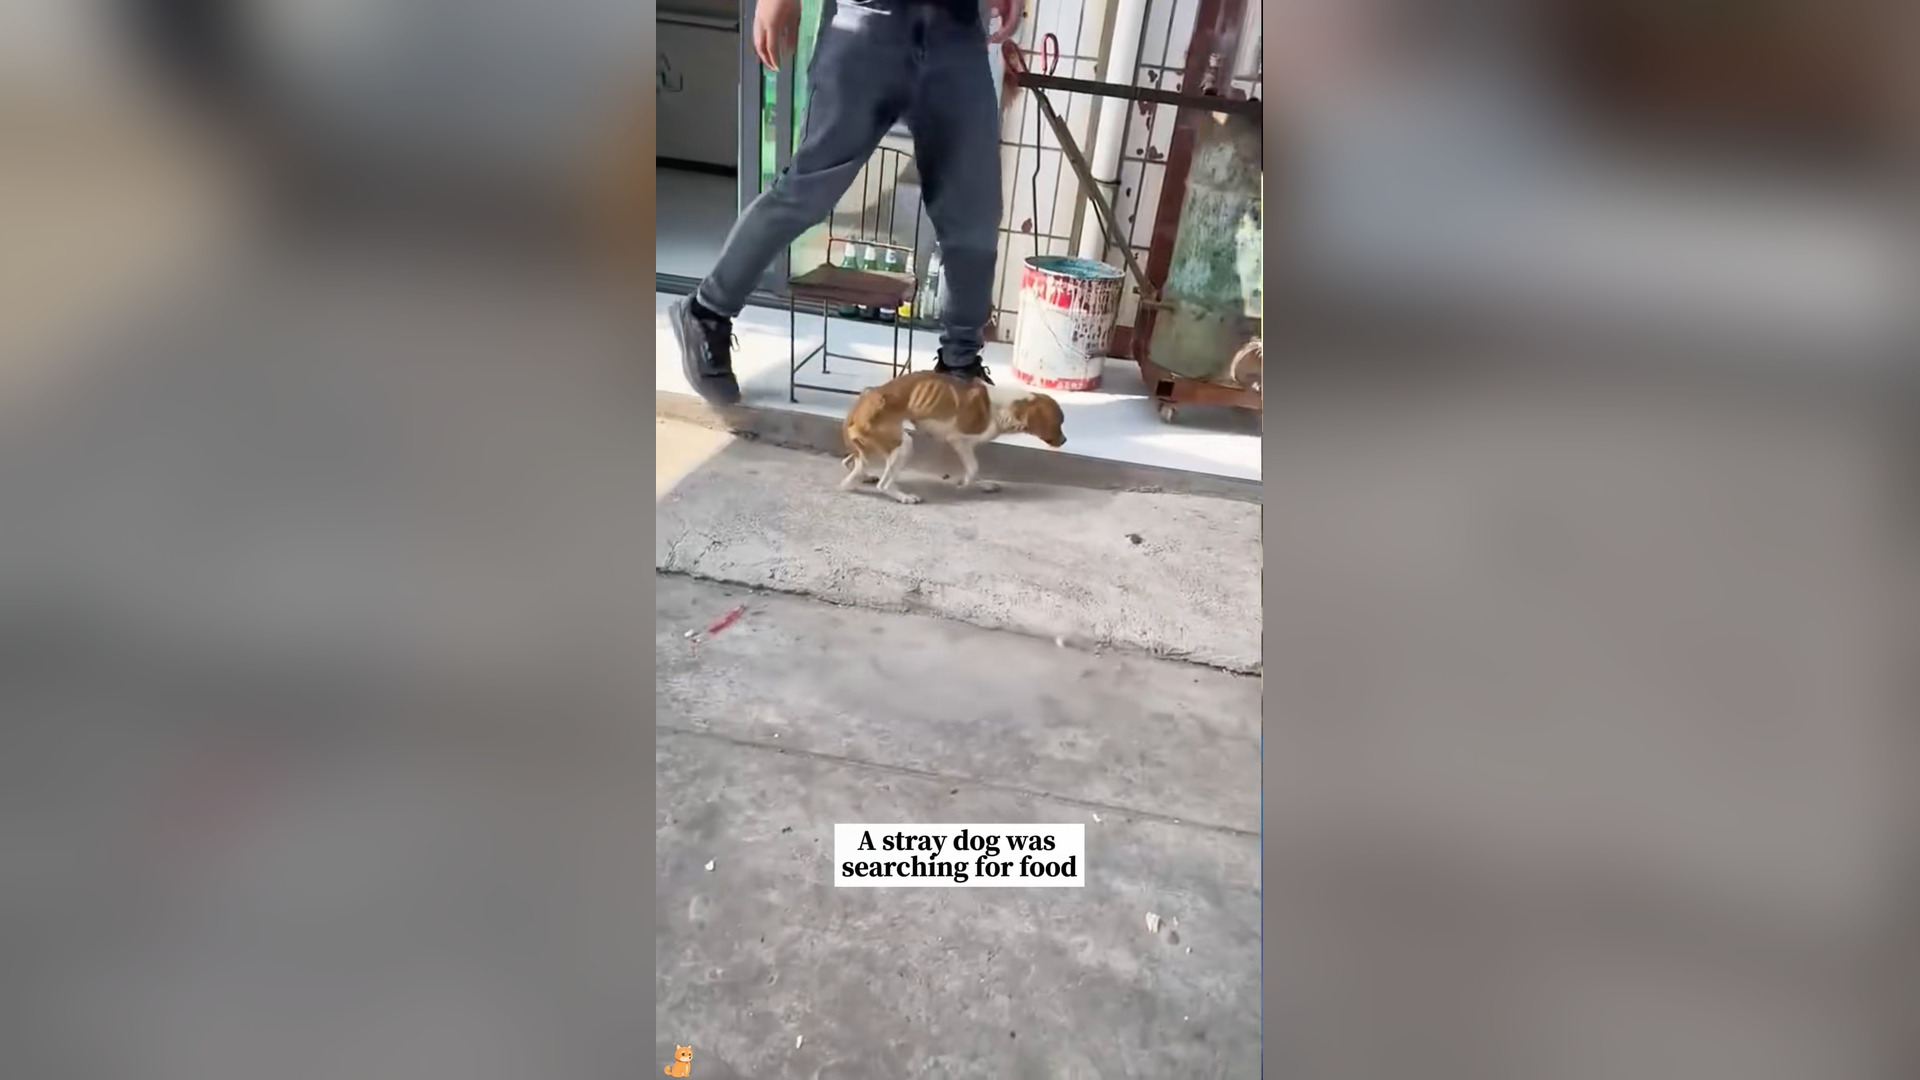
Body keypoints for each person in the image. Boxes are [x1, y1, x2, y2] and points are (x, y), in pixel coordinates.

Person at [670, 0, 1019, 404]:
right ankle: (707, 313)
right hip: (869, 23)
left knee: (974, 213)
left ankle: (960, 365)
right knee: (807, 191)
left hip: (959, 36)